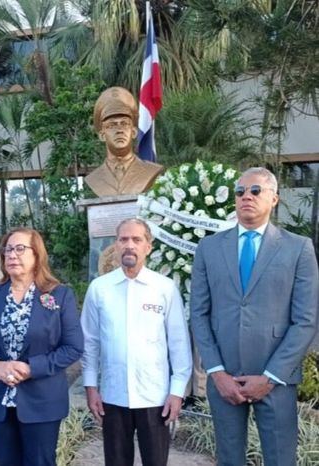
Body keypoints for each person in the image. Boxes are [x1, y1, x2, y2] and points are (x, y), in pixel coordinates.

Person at [191, 167, 319, 466]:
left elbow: (306, 320)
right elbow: (198, 313)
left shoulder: (298, 248)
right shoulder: (209, 248)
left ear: (274, 198)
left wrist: (271, 377)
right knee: (229, 459)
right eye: (240, 192)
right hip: (225, 379)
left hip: (276, 378)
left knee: (279, 459)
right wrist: (217, 372)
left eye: (255, 190)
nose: (246, 196)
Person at [0, 227, 84, 466]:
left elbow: (73, 347)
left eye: (20, 249)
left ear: (37, 254)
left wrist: (31, 368)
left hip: (42, 402)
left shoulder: (59, 296)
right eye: (8, 250)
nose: (12, 255)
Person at [82, 218, 192, 466]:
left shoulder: (164, 288)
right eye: (123, 239)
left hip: (155, 397)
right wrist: (91, 387)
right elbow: (90, 342)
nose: (129, 245)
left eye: (136, 239)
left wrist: (177, 392)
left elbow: (178, 343)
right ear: (116, 245)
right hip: (113, 395)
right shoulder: (99, 288)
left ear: (148, 247)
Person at [85, 87, 164, 197]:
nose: (119, 130)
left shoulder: (151, 171)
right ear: (102, 135)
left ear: (133, 132)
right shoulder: (94, 178)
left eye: (124, 123)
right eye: (112, 125)